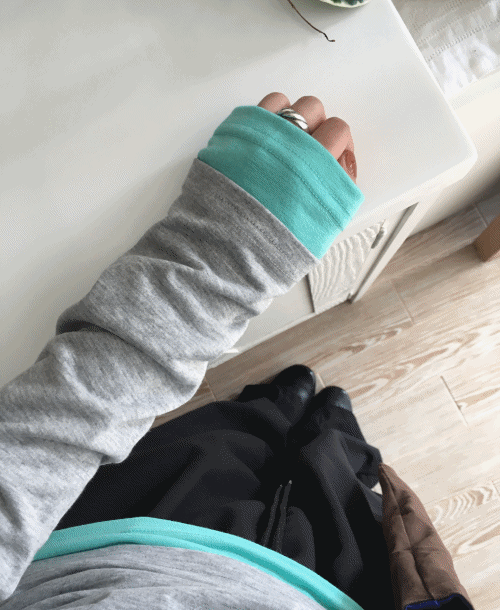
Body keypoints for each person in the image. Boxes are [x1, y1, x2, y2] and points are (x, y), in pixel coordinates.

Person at [0, 92, 474, 610]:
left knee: (233, 434)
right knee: (340, 464)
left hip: (129, 534)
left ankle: (276, 406)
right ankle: (328, 423)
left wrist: (225, 255)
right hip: (340, 587)